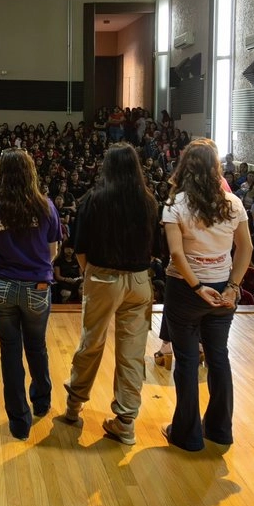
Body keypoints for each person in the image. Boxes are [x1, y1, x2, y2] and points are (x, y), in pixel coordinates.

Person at [161, 139, 253, 452]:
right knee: (218, 357)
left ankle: (187, 435)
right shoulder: (233, 203)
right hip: (223, 288)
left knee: (186, 361)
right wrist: (233, 286)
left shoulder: (175, 204)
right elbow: (246, 249)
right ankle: (220, 430)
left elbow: (176, 253)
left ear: (185, 167)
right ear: (215, 169)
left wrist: (197, 288)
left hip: (186, 292)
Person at [64, 144, 158, 445]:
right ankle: (126, 422)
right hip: (140, 281)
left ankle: (74, 407)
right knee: (132, 353)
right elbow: (155, 247)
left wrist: (89, 274)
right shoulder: (148, 201)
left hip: (103, 277)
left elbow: (79, 247)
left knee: (91, 342)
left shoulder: (95, 199)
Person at [0, 148, 63, 441]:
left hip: (0, 287)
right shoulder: (46, 206)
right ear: (30, 173)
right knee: (36, 347)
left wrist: (6, 268)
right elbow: (52, 252)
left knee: (9, 352)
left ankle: (18, 422)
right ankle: (41, 401)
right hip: (37, 286)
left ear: (0, 174)